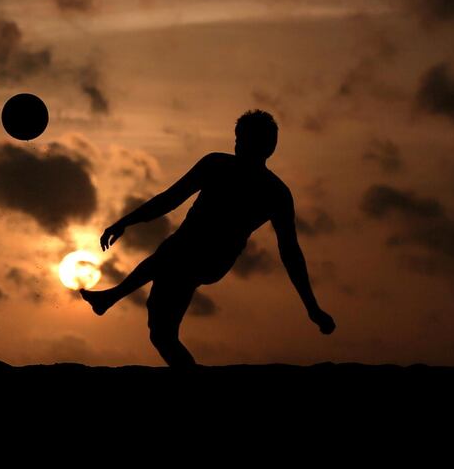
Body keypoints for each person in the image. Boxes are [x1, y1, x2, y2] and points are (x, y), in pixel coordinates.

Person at [80, 109, 336, 367]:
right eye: (237, 138)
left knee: (173, 250)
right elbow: (170, 198)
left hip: (211, 258)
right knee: (161, 334)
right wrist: (125, 222)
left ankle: (111, 297)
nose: (237, 144)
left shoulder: (273, 191)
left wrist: (312, 307)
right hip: (185, 256)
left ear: (265, 146)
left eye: (243, 139)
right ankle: (114, 303)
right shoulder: (217, 165)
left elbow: (290, 252)